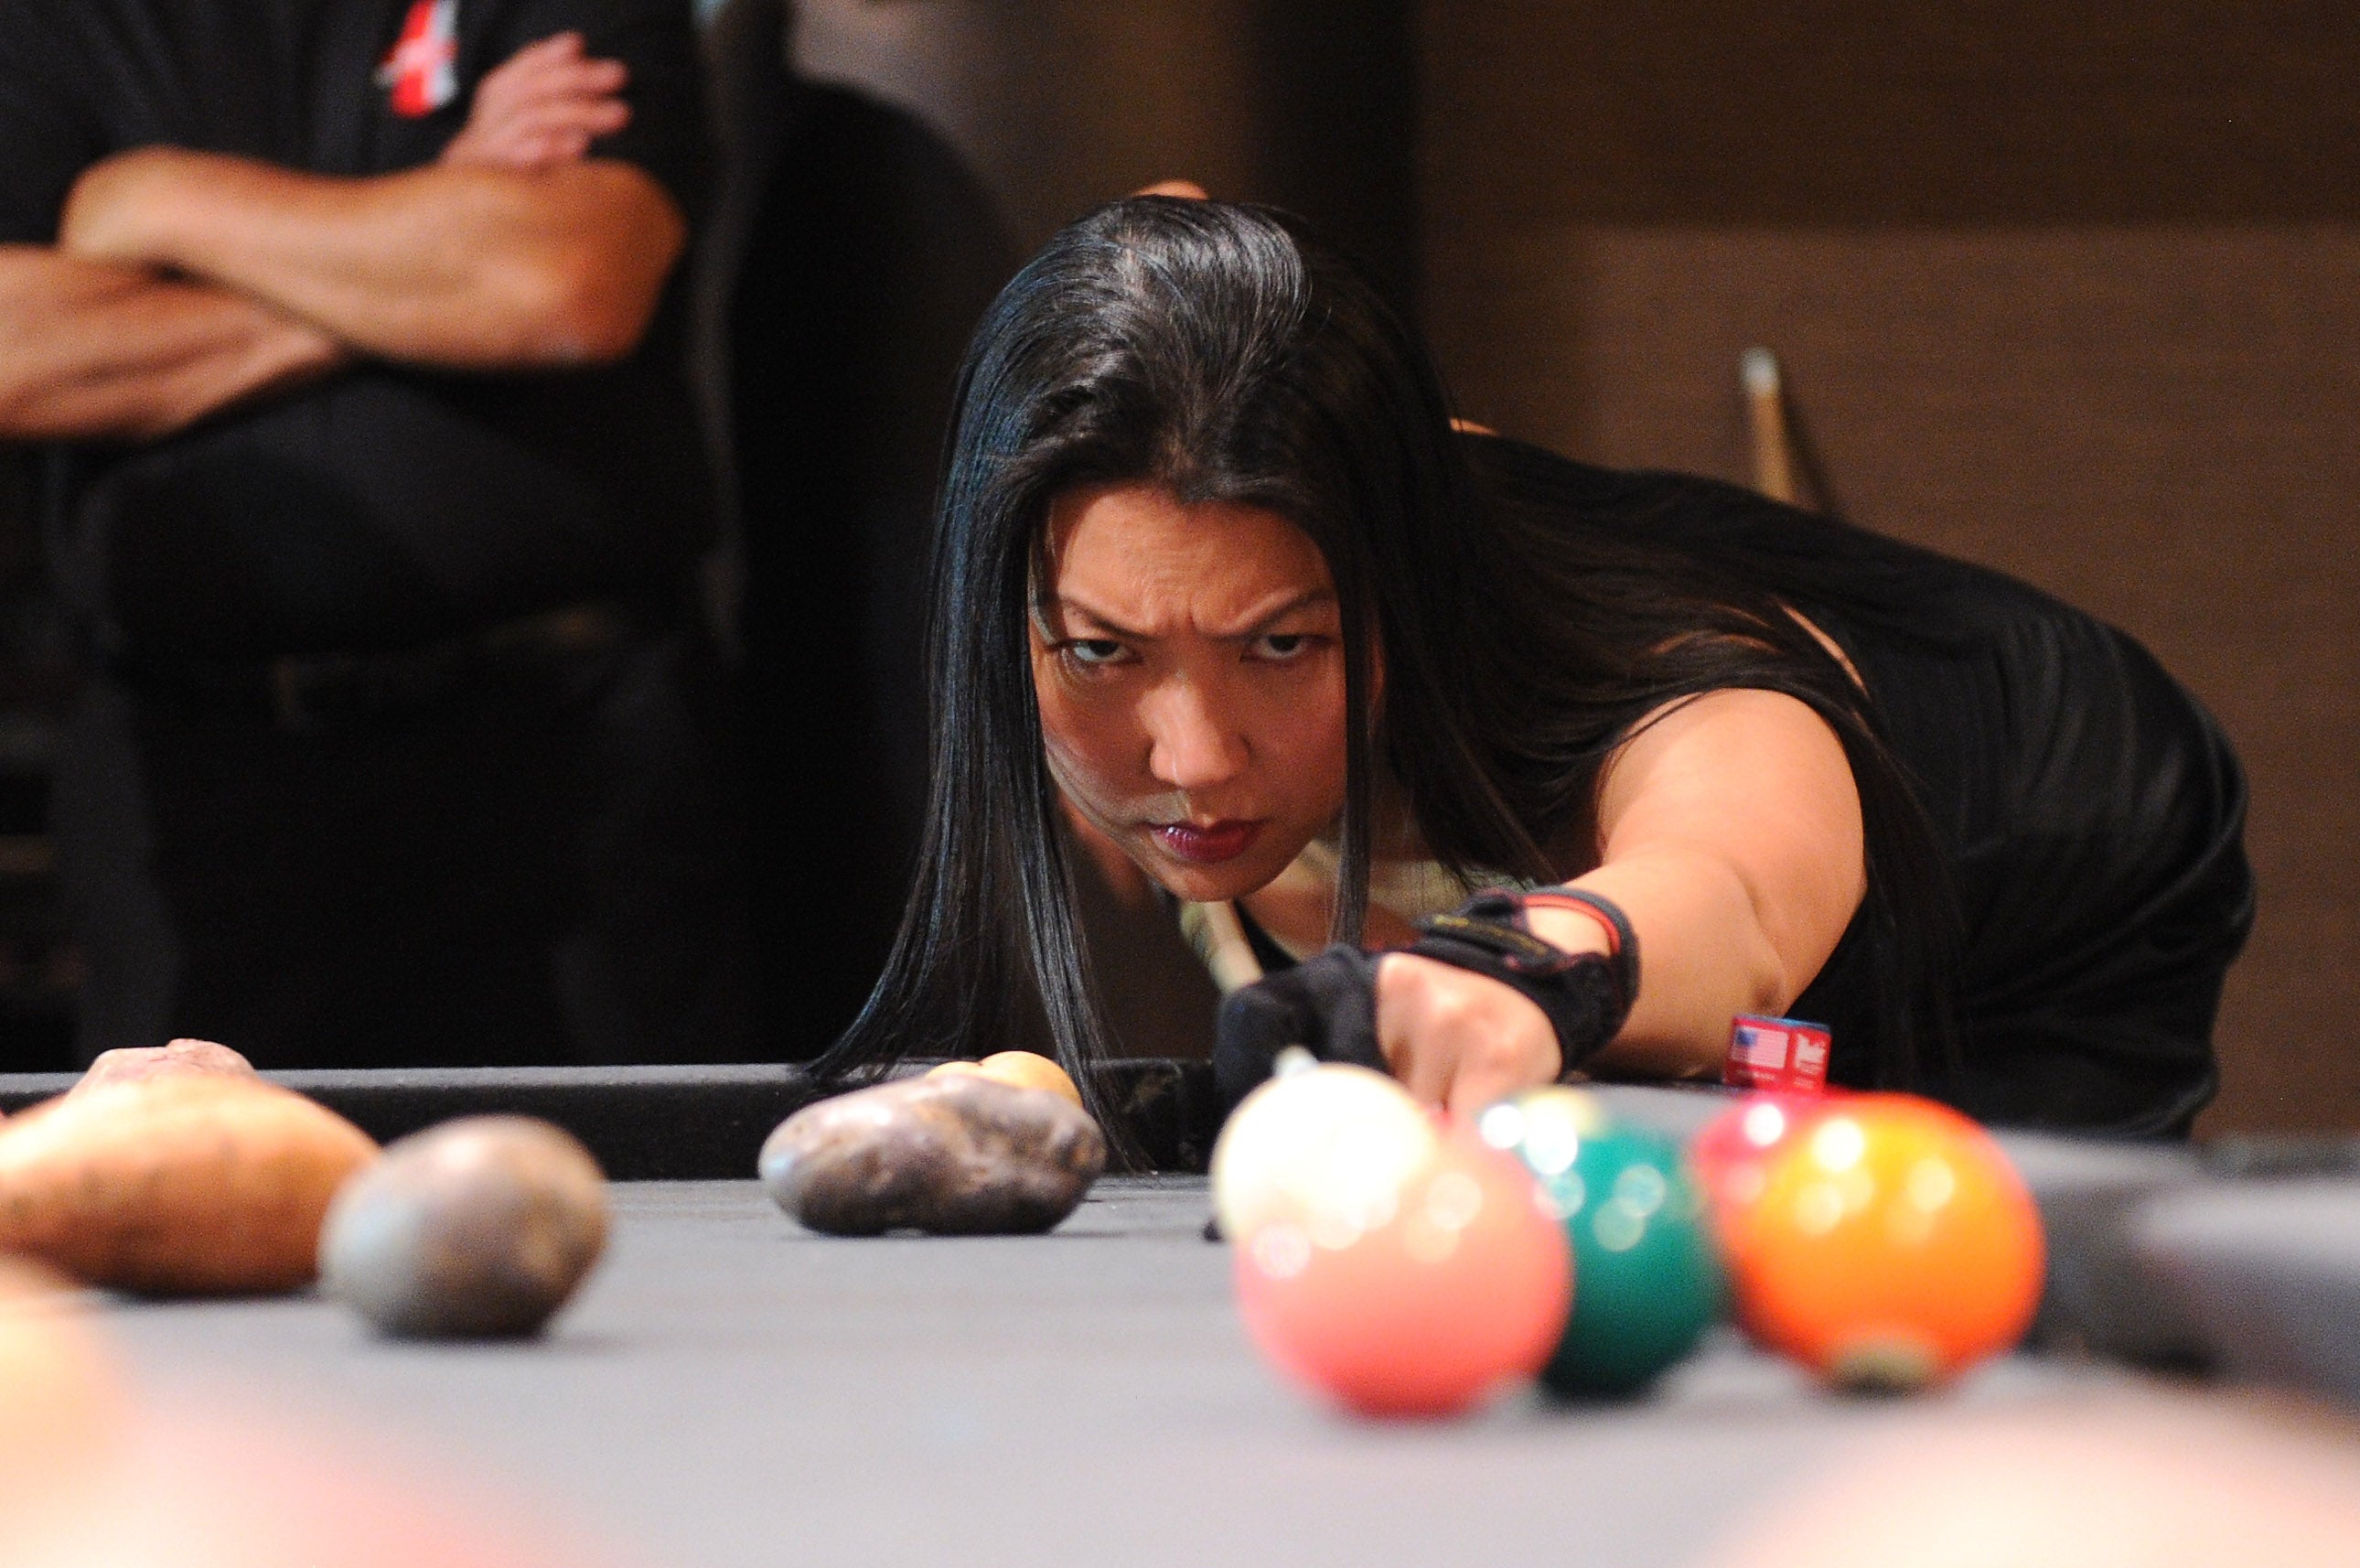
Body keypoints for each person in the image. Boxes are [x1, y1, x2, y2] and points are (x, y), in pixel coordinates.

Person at [822, 199, 2253, 1136]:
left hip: (2048, 857)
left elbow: (1735, 892)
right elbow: (1178, 222)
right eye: (1104, 650)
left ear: (1388, 586)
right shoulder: (1137, 500)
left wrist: (1515, 973)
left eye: (1281, 644)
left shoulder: (1650, 692)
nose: (1189, 755)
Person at [0, 2, 746, 1068]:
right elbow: (13, 354)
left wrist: (158, 199)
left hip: (567, 757)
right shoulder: (49, 24)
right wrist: (434, 239)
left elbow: (560, 283)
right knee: (199, 1205)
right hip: (196, 775)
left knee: (639, 1205)